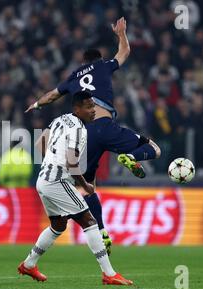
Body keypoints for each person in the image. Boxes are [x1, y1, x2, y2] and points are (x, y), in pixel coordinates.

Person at [25, 17, 161, 254]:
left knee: (88, 188)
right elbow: (125, 51)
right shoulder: (104, 65)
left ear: (82, 61)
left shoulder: (73, 77)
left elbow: (50, 97)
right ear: (98, 60)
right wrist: (121, 34)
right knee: (156, 149)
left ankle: (101, 230)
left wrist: (35, 105)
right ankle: (131, 156)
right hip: (106, 126)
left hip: (85, 133)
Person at [18, 91, 133, 286]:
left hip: (43, 179)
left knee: (58, 225)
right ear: (77, 109)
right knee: (89, 221)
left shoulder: (60, 119)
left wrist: (52, 160)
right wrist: (84, 184)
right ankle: (109, 274)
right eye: (88, 107)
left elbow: (40, 143)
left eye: (93, 106)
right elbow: (72, 164)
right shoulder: (79, 129)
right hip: (57, 181)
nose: (93, 111)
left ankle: (29, 265)